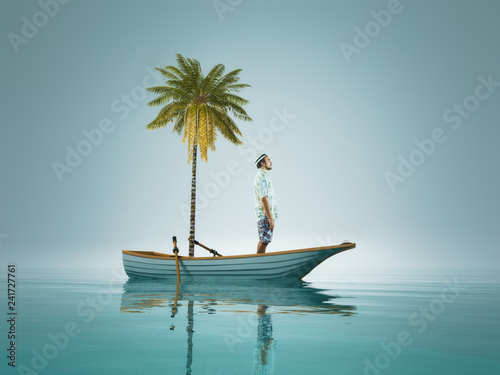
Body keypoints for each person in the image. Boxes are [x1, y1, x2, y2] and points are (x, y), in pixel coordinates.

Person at [254, 154, 278, 254]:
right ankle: (258, 265)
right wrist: (270, 218)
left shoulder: (262, 176)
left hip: (264, 216)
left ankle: (257, 263)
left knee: (263, 241)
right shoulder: (262, 177)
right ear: (262, 163)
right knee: (264, 241)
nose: (271, 162)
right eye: (268, 160)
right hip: (265, 216)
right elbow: (264, 199)